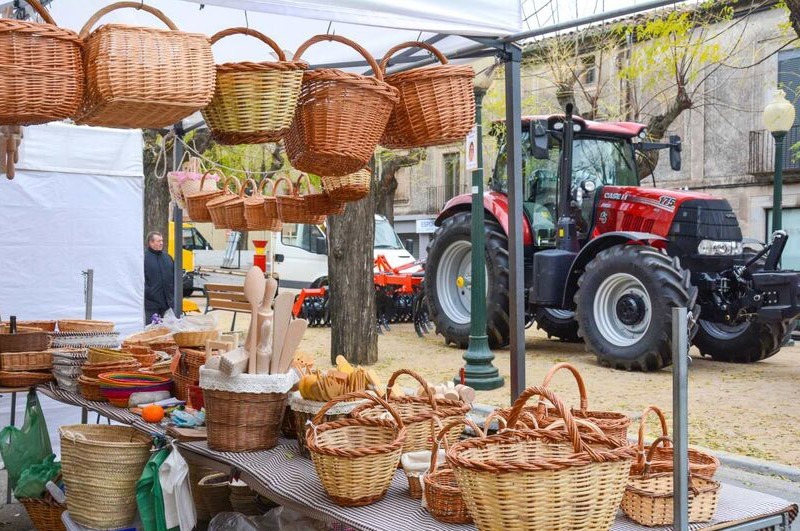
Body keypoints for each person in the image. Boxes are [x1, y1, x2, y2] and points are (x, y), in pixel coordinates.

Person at [144, 231, 174, 324]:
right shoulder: (144, 258)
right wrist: (148, 292)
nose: (161, 243)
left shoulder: (168, 257)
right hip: (151, 304)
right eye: (158, 241)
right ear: (151, 242)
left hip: (167, 303)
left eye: (162, 241)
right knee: (152, 329)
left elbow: (173, 277)